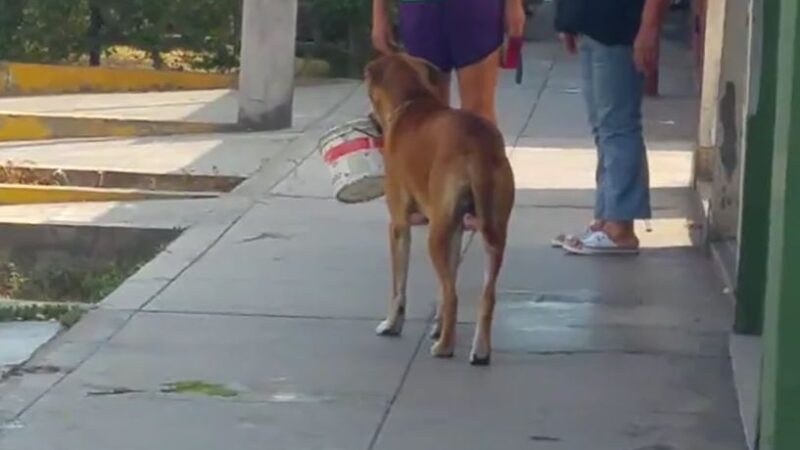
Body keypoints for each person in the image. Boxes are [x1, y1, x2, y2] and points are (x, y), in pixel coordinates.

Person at [371, 0, 525, 227]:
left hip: (475, 10)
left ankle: (480, 198)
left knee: (478, 111)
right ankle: (428, 195)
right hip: (422, 11)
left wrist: (513, 6)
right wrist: (379, 15)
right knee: (425, 113)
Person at [554, 0, 670, 255]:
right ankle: (606, 218)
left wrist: (649, 28)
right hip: (592, 23)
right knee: (603, 127)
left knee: (617, 127)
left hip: (620, 29)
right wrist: (568, 19)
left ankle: (620, 227)